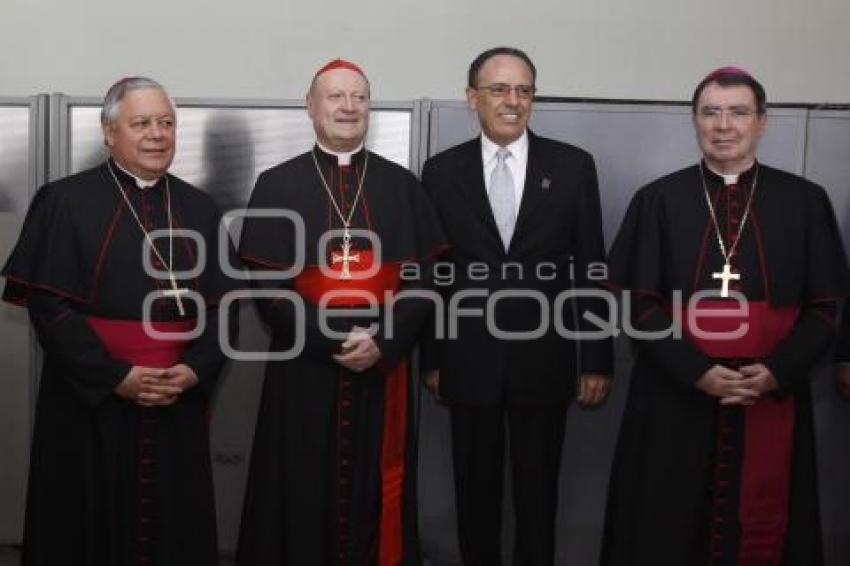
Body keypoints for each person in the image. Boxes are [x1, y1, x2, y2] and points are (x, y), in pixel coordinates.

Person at [602, 67, 848, 565]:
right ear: (694, 121)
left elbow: (826, 308)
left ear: (762, 122)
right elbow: (636, 303)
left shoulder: (803, 201)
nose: (724, 125)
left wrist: (777, 371)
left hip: (770, 392)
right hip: (675, 396)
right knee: (665, 524)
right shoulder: (658, 200)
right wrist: (696, 371)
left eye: (738, 112)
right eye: (710, 112)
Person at [2, 77, 237, 565]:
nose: (157, 134)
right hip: (90, 402)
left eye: (167, 123)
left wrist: (194, 370)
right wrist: (116, 377)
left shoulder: (200, 208)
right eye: (142, 123)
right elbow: (51, 309)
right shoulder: (64, 201)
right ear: (110, 133)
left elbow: (227, 308)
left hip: (177, 396)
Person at [236, 59, 445, 566]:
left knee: (376, 482)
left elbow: (426, 279)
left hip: (382, 363)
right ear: (311, 106)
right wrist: (332, 341)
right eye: (335, 96)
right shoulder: (276, 183)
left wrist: (384, 342)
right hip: (304, 365)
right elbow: (268, 286)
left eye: (359, 97)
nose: (348, 107)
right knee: (298, 478)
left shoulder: (402, 186)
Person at [420, 47, 612, 565]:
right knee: (473, 497)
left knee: (538, 496)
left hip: (544, 361)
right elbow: (433, 276)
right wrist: (433, 358)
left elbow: (591, 268)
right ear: (472, 98)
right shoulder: (440, 172)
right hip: (467, 362)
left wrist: (595, 358)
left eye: (523, 90)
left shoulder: (573, 167)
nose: (513, 100)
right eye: (500, 89)